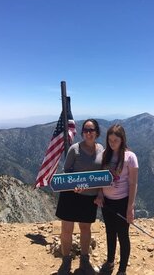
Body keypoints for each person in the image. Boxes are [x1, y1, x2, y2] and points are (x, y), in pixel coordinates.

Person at [56, 118, 104, 275]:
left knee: (85, 228)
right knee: (67, 228)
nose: (88, 133)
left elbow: (102, 175)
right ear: (82, 132)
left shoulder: (101, 150)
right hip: (71, 195)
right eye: (86, 130)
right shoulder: (74, 149)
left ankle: (84, 261)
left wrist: (100, 193)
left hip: (89, 197)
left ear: (97, 132)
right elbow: (67, 170)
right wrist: (73, 185)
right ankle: (66, 261)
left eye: (91, 130)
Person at [95, 124, 138, 275]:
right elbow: (100, 178)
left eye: (116, 140)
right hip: (107, 202)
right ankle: (110, 261)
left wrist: (130, 207)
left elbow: (133, 183)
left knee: (123, 235)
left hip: (122, 201)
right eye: (110, 140)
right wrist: (100, 195)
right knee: (110, 232)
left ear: (122, 140)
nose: (112, 143)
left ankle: (122, 270)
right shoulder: (104, 154)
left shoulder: (130, 157)